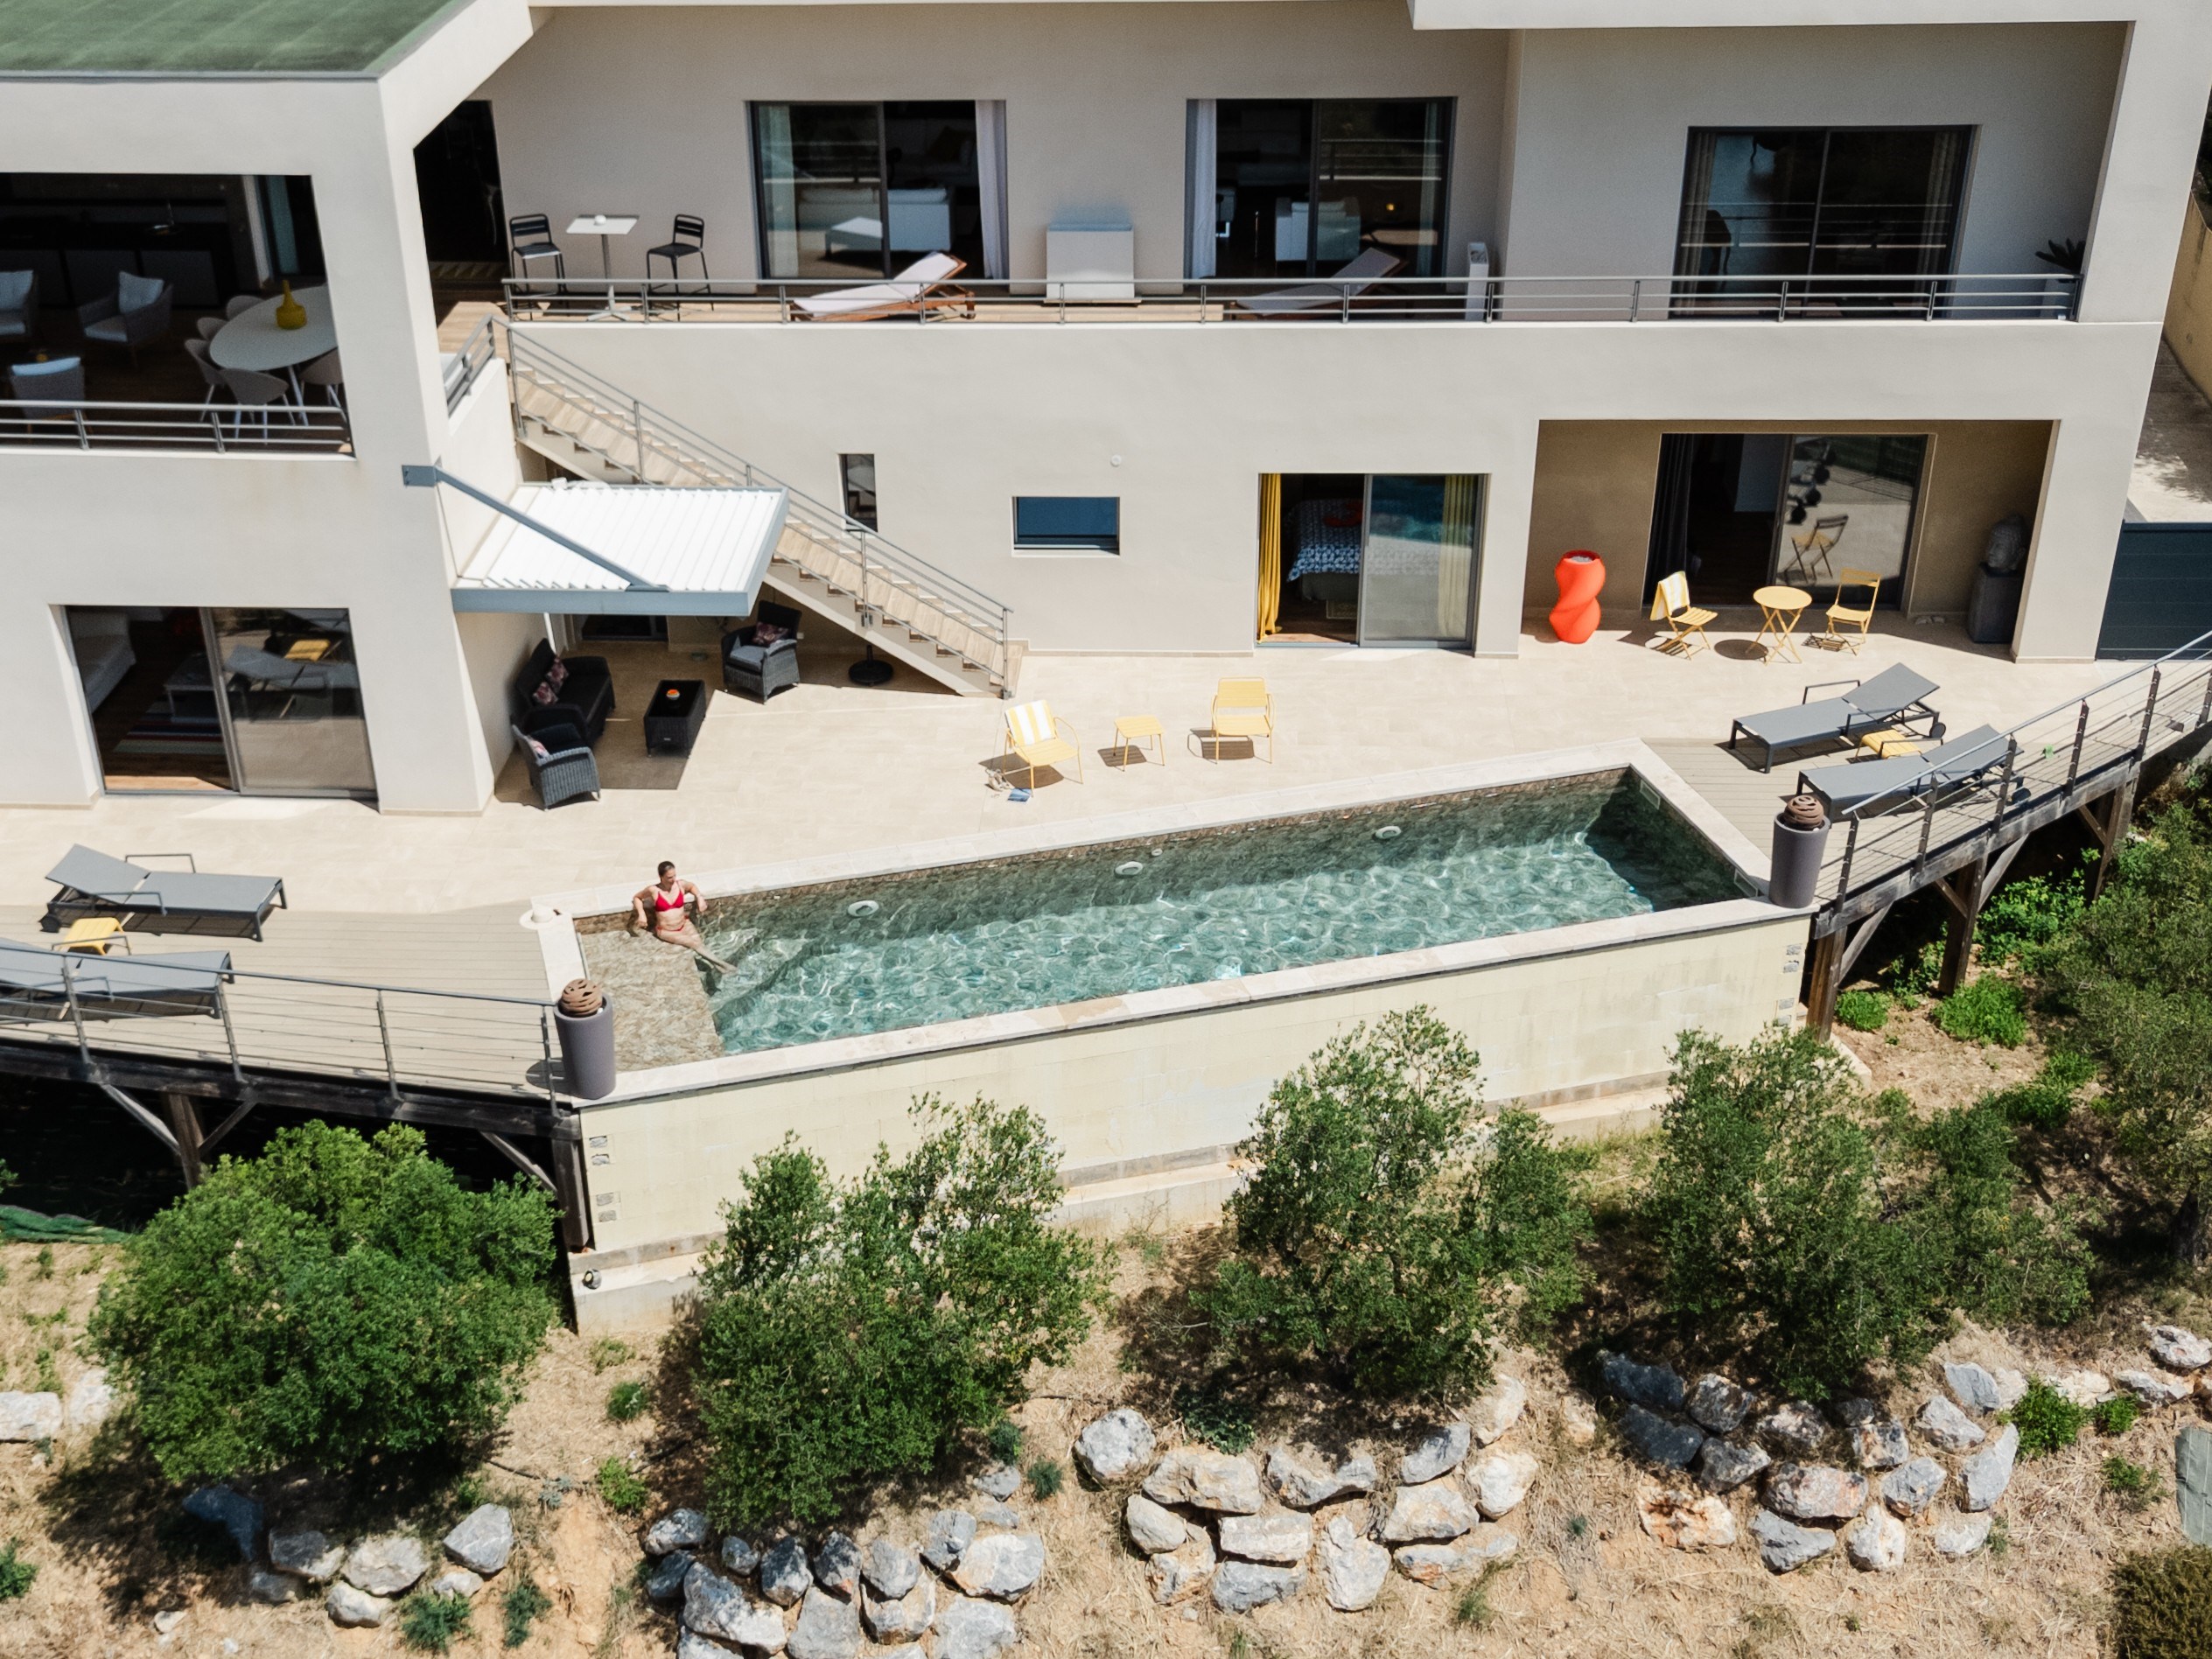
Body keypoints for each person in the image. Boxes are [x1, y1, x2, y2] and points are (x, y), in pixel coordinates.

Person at [630, 861, 738, 971]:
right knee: (693, 944)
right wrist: (642, 915)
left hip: (685, 924)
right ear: (661, 877)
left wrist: (699, 897)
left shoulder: (680, 885)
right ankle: (725, 966)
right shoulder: (653, 890)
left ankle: (718, 967)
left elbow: (692, 886)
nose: (673, 879)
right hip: (667, 930)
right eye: (669, 877)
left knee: (700, 944)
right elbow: (637, 898)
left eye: (674, 876)